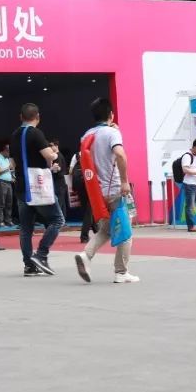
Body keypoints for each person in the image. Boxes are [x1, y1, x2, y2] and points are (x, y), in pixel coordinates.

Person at [74, 98, 139, 284]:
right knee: (125, 232)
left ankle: (86, 255)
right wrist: (125, 181)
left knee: (106, 229)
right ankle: (121, 271)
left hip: (97, 191)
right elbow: (120, 155)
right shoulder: (112, 133)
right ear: (111, 114)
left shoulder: (86, 136)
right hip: (116, 188)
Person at [10, 104, 64, 276]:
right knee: (57, 220)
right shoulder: (36, 133)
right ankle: (41, 254)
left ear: (21, 117)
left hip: (21, 186)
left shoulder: (14, 135)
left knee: (26, 228)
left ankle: (29, 266)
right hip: (38, 186)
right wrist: (54, 154)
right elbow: (48, 155)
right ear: (38, 117)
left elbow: (12, 163)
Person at [69, 151, 99, 243]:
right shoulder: (94, 154)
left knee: (87, 208)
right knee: (89, 210)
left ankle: (97, 230)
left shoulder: (76, 155)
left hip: (79, 185)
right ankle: (84, 236)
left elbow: (70, 171)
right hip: (90, 184)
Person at [0, 143, 16, 227]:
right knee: (1, 203)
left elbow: (10, 170)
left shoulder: (7, 159)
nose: (10, 155)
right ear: (5, 151)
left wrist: (12, 177)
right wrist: (8, 167)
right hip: (1, 182)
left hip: (9, 183)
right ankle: (0, 221)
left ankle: (8, 220)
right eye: (9, 153)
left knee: (9, 203)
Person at [49, 138, 69, 216]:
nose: (50, 147)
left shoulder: (57, 156)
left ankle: (58, 219)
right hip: (61, 182)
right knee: (62, 203)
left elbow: (57, 169)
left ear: (56, 146)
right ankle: (62, 219)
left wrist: (51, 169)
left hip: (59, 183)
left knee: (59, 202)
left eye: (51, 145)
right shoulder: (59, 155)